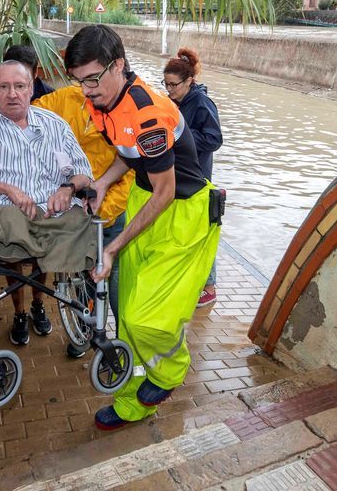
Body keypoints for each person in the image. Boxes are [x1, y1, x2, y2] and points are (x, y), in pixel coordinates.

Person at [64, 25, 220, 431]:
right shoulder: (103, 101)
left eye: (92, 79)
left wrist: (113, 246)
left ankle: (169, 373)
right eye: (79, 81)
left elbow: (166, 191)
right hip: (143, 201)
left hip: (181, 215)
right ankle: (132, 402)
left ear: (118, 65)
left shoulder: (148, 114)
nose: (86, 91)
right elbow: (128, 153)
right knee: (127, 318)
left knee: (147, 317)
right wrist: (102, 182)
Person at [0, 60, 95, 348]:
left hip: (49, 211)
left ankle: (42, 291)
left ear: (31, 88)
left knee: (79, 219)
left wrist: (68, 188)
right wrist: (7, 188)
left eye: (19, 86)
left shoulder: (54, 124)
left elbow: (83, 171)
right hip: (1, 211)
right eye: (3, 87)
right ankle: (26, 300)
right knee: (14, 223)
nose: (12, 93)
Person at [33, 85, 134, 342]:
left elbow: (130, 172)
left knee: (116, 278)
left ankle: (122, 338)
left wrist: (104, 209)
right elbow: (27, 116)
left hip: (109, 210)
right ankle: (84, 332)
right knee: (81, 272)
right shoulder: (64, 98)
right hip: (73, 207)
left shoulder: (127, 112)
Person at [162, 48, 223, 307]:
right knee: (186, 231)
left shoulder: (201, 103)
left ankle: (209, 286)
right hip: (182, 175)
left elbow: (214, 139)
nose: (169, 89)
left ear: (189, 81)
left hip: (198, 178)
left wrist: (181, 136)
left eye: (173, 85)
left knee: (202, 232)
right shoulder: (177, 102)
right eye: (165, 84)